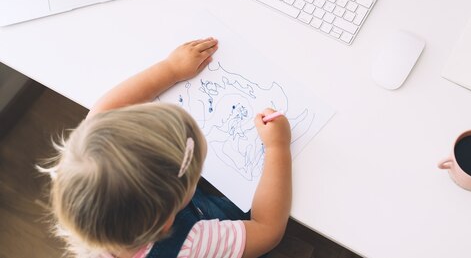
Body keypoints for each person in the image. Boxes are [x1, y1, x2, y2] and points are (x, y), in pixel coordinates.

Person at [41, 37, 292, 258]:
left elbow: (102, 112)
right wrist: (277, 148)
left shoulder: (81, 174)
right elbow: (267, 231)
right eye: (192, 175)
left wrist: (171, 69)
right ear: (165, 222)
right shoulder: (191, 245)